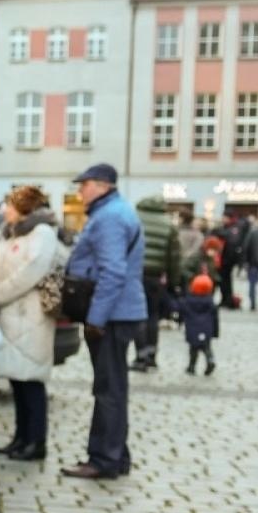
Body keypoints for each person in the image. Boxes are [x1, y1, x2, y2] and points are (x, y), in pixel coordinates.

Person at [60, 163, 146, 481]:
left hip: (112, 314)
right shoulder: (114, 212)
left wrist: (96, 318)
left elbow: (113, 271)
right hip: (119, 311)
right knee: (113, 387)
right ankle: (116, 454)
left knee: (108, 389)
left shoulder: (109, 217)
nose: (80, 191)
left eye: (84, 185)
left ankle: (104, 459)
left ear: (102, 186)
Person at [0, 187, 60, 461]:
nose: (5, 210)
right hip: (9, 316)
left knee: (31, 381)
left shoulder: (42, 234)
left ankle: (36, 440)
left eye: (10, 205)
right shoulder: (11, 234)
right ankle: (20, 436)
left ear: (24, 207)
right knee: (16, 380)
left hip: (30, 317)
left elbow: (29, 272)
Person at [131, 195, 181, 372]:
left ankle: (140, 355)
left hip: (135, 273)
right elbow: (174, 256)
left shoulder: (135, 218)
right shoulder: (168, 224)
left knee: (138, 315)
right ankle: (152, 355)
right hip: (155, 276)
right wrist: (174, 282)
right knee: (153, 315)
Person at [182, 273, 219, 375]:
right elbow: (215, 318)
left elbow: (182, 312)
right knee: (206, 348)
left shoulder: (188, 301)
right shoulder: (210, 302)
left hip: (192, 330)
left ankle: (191, 366)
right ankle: (210, 360)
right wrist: (215, 333)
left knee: (193, 349)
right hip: (206, 330)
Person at [244, 215, 258, 312]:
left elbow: (246, 247)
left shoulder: (252, 233)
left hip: (253, 263)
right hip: (253, 263)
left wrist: (246, 262)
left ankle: (253, 304)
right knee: (252, 284)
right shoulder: (252, 233)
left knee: (252, 285)